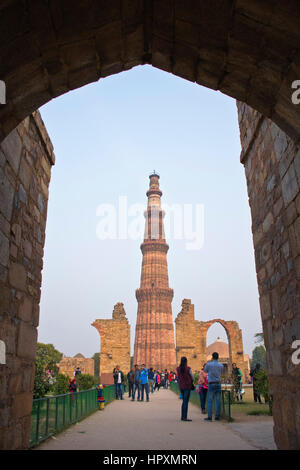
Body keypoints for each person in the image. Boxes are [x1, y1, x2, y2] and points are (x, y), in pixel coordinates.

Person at [204, 352, 224, 421]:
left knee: (210, 400)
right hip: (218, 383)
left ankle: (209, 417)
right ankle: (217, 416)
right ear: (218, 357)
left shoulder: (208, 364)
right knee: (218, 400)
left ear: (212, 357)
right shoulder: (221, 365)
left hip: (211, 383)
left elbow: (205, 370)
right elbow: (221, 372)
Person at [176, 356, 194, 422]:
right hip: (187, 386)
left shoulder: (178, 369)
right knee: (185, 401)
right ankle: (184, 417)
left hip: (181, 386)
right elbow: (192, 377)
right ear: (186, 361)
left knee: (184, 401)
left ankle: (182, 416)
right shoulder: (188, 368)